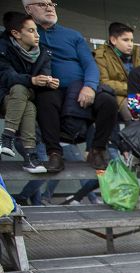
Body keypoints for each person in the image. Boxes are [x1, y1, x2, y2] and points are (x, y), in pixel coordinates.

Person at [26, 0, 119, 171]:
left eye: (51, 4)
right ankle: (55, 154)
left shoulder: (73, 35)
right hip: (51, 89)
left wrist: (90, 86)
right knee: (45, 99)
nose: (49, 8)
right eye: (42, 4)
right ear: (28, 9)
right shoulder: (26, 34)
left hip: (81, 86)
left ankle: (97, 150)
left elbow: (90, 64)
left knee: (108, 101)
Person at [0, 12, 51, 173]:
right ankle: (30, 156)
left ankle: (6, 138)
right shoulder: (2, 49)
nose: (37, 35)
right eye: (31, 31)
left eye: (36, 30)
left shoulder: (43, 52)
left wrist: (49, 81)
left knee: (22, 91)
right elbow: (7, 76)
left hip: (30, 93)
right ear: (16, 34)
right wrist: (32, 80)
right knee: (26, 103)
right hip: (5, 97)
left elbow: (46, 73)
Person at [93, 22, 140, 121]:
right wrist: (131, 88)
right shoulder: (101, 56)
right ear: (113, 40)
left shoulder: (136, 56)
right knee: (134, 114)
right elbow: (104, 83)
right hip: (117, 98)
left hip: (137, 95)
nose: (130, 44)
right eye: (125, 40)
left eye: (132, 40)